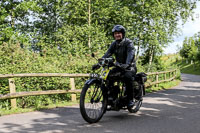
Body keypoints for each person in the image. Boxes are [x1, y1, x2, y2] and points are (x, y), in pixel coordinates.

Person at [92, 25, 137, 107]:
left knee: (127, 77)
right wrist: (98, 64)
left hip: (129, 67)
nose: (117, 35)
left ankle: (130, 99)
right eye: (115, 33)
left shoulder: (128, 43)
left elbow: (131, 54)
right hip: (119, 66)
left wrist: (127, 64)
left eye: (119, 33)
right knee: (108, 76)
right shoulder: (114, 44)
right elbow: (107, 54)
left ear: (123, 34)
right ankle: (111, 97)